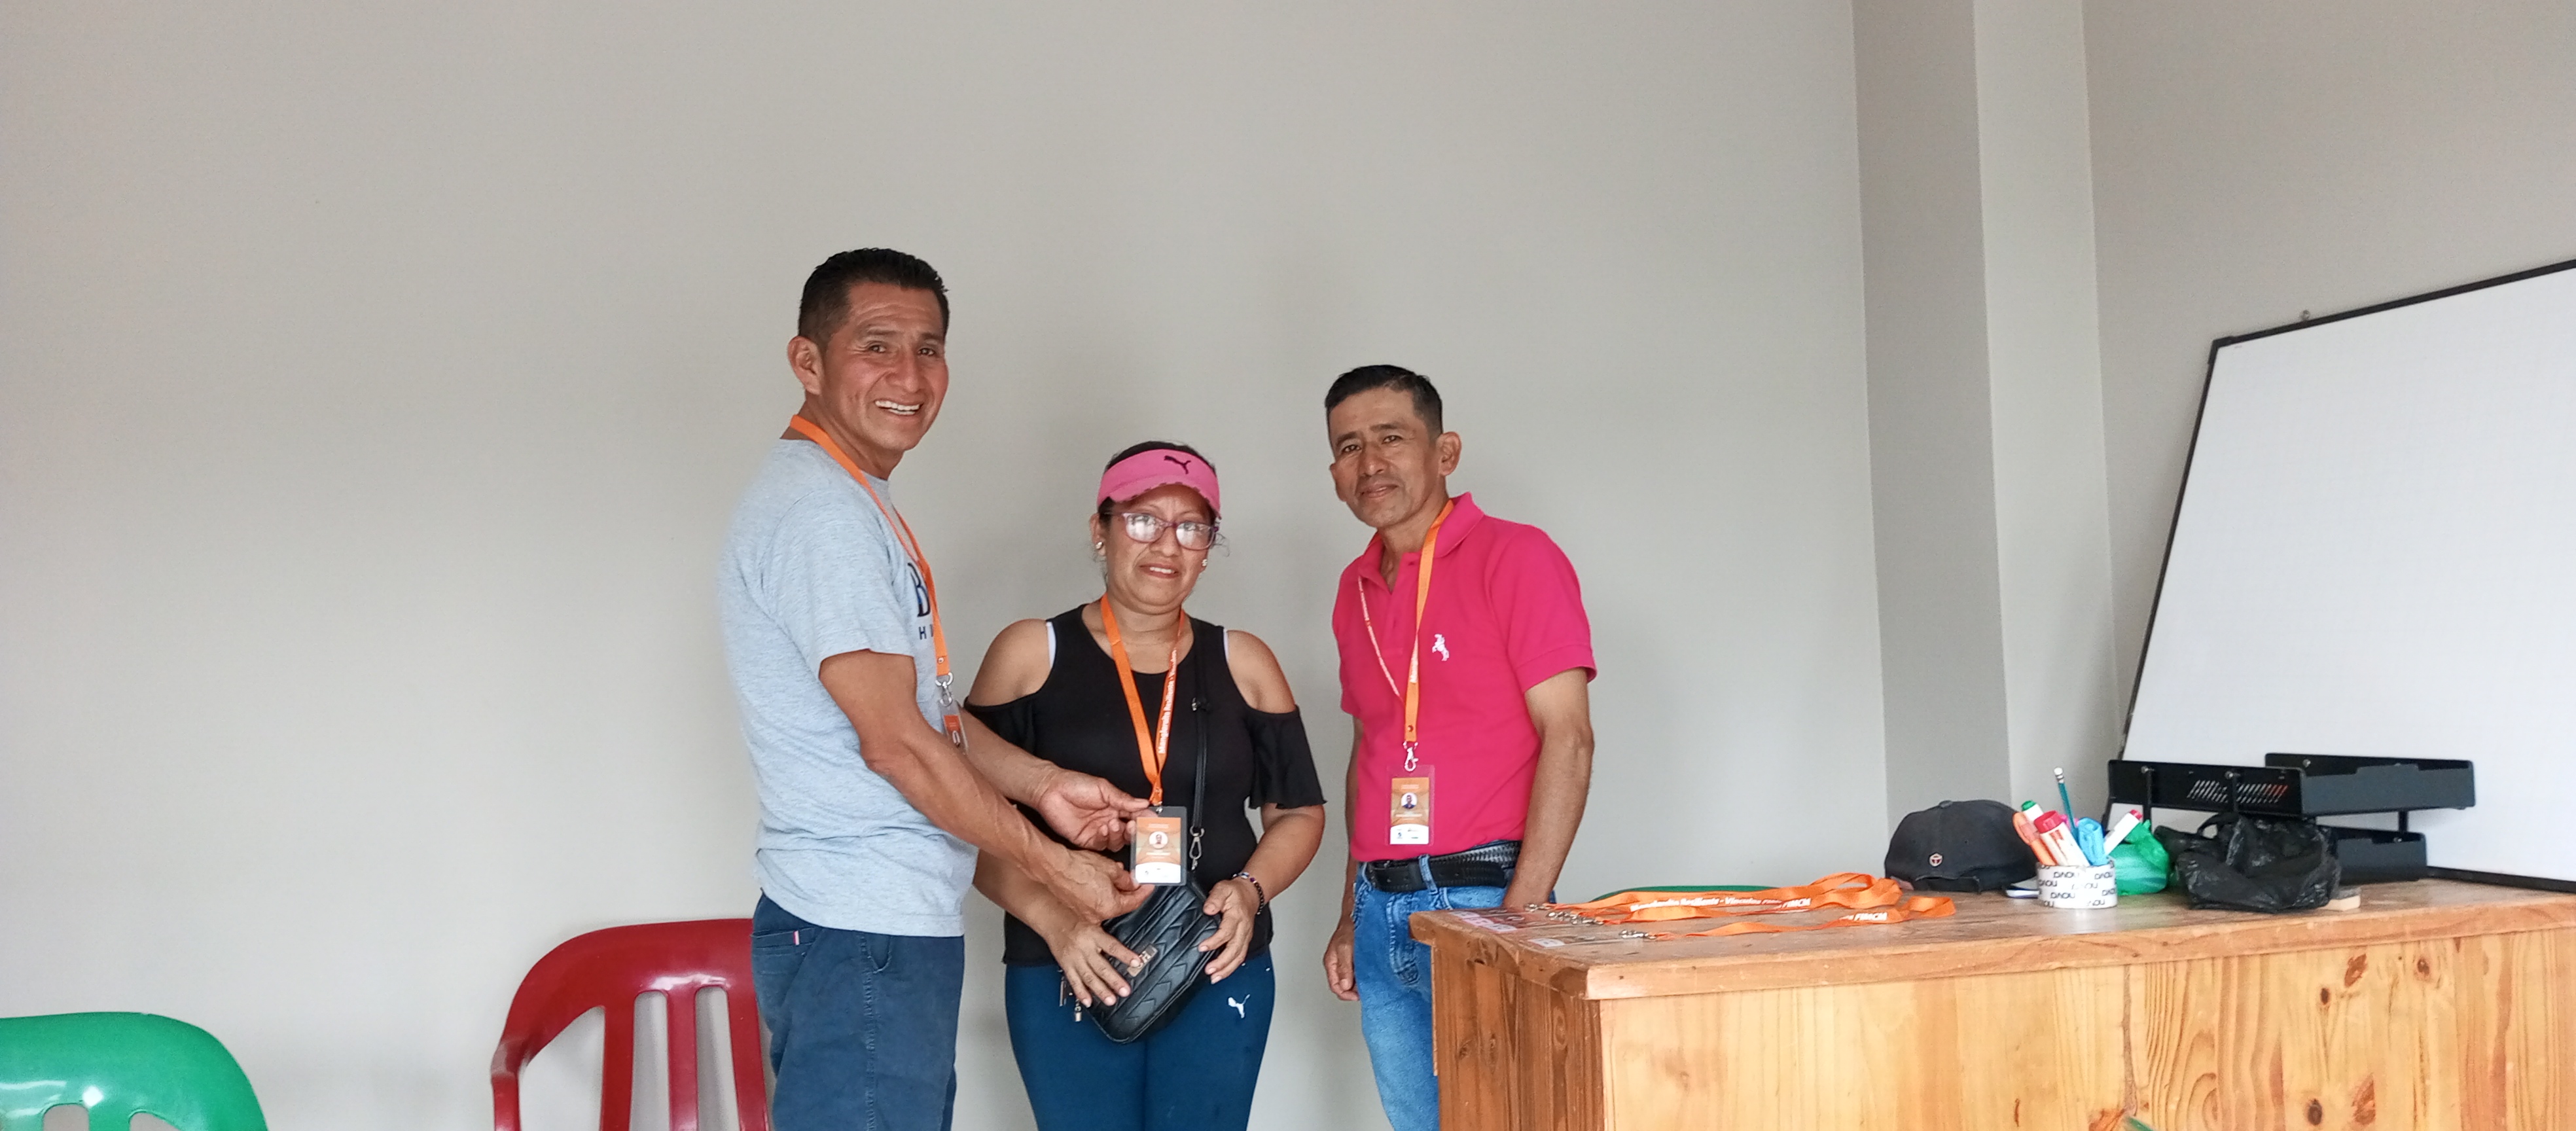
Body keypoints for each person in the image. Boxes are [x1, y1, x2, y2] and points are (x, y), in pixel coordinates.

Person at [718, 249, 1151, 1131]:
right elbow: (897, 746)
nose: (910, 377)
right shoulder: (823, 515)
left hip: (874, 931)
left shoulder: (851, 498)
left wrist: (1042, 786)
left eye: (929, 349)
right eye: (876, 346)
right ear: (808, 362)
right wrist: (1058, 869)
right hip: (859, 934)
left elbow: (920, 717)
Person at [968, 441, 1329, 1131]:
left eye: (1192, 527)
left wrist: (1250, 892)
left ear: (1208, 548)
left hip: (1215, 959)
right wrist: (1056, 922)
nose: (1167, 544)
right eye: (1143, 520)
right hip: (1069, 962)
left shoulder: (1245, 662)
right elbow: (969, 821)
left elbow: (1299, 813)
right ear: (1100, 530)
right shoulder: (1031, 654)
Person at [1315, 365, 1598, 1131]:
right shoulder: (1352, 589)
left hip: (1485, 897)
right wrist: (1349, 913)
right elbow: (1371, 753)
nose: (1370, 462)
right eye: (1349, 447)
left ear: (1445, 452)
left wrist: (1520, 919)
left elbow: (1570, 737)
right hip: (1381, 907)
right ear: (1334, 473)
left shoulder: (1517, 555)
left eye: (1391, 437)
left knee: (1506, 1120)